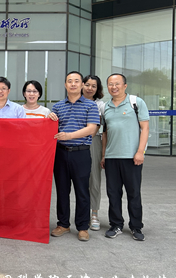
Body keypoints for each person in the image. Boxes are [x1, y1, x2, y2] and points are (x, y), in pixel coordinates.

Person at [48, 71, 99, 242]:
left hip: (81, 152)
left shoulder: (90, 106)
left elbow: (91, 128)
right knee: (62, 190)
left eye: (77, 81)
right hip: (61, 153)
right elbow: (52, 129)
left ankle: (83, 227)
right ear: (65, 85)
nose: (73, 84)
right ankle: (63, 224)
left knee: (82, 191)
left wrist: (69, 136)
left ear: (82, 85)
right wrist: (49, 118)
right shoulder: (58, 106)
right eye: (69, 81)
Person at [101, 73, 149, 241]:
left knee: (133, 193)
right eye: (110, 84)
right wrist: (103, 155)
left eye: (117, 83)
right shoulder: (106, 107)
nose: (114, 87)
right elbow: (105, 133)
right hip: (111, 157)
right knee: (113, 193)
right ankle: (116, 225)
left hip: (132, 156)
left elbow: (145, 128)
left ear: (125, 85)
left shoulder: (136, 102)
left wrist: (140, 152)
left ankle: (136, 226)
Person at [81, 74, 106, 231]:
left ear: (98, 89)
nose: (90, 88)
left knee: (94, 179)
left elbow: (102, 128)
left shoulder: (101, 106)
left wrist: (103, 154)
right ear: (82, 85)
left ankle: (94, 213)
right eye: (87, 85)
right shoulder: (74, 101)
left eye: (94, 86)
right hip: (73, 142)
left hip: (93, 142)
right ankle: (81, 213)